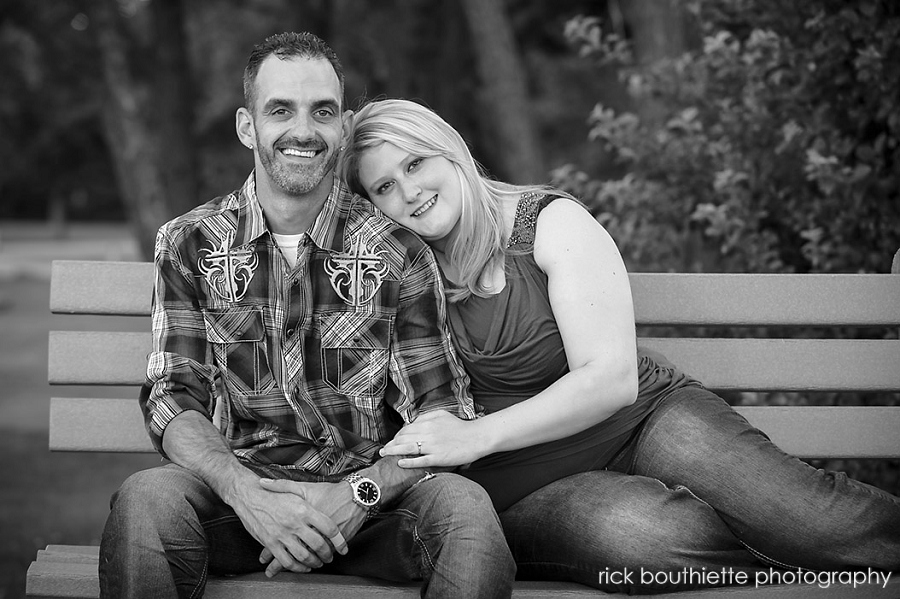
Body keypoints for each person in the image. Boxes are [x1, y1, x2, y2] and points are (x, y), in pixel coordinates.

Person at [338, 98, 900, 594]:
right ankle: (817, 562)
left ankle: (815, 548)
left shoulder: (549, 224)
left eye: (416, 163)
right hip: (525, 488)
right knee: (640, 542)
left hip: (641, 421)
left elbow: (610, 378)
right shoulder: (391, 276)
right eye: (384, 185)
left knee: (808, 520)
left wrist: (475, 435)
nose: (409, 191)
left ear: (451, 153)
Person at [98, 34, 516, 599]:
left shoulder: (397, 251)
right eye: (280, 110)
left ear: (343, 129)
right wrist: (243, 491)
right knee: (145, 501)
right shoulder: (190, 244)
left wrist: (358, 495)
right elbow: (174, 396)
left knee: (466, 512)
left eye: (321, 112)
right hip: (241, 503)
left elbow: (440, 410)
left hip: (370, 511)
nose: (303, 130)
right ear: (248, 127)